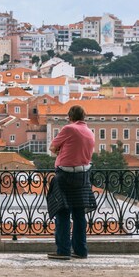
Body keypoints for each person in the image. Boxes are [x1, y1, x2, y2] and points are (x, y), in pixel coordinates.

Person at [48, 104, 97, 260]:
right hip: (83, 176)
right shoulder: (90, 132)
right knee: (79, 214)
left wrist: (61, 151)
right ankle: (81, 250)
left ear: (70, 117)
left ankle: (63, 250)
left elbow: (52, 147)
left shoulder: (69, 129)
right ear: (84, 117)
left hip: (65, 175)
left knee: (62, 212)